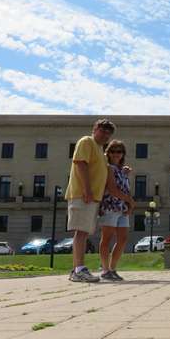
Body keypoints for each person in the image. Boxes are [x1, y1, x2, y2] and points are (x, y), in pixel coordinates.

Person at [65, 119, 133, 283]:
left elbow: (105, 168)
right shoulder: (86, 141)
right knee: (81, 232)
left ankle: (78, 269)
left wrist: (122, 170)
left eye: (108, 133)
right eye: (102, 131)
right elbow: (81, 164)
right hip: (83, 195)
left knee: (83, 232)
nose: (105, 135)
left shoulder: (99, 150)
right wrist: (87, 190)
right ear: (94, 129)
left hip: (93, 198)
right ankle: (79, 270)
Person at [98, 140, 131, 281]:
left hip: (122, 208)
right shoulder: (108, 168)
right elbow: (112, 189)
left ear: (123, 154)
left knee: (123, 239)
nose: (116, 154)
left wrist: (128, 205)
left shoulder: (121, 170)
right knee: (106, 239)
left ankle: (113, 268)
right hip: (110, 206)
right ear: (108, 153)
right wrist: (131, 201)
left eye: (119, 151)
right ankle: (105, 270)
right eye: (113, 151)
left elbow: (125, 188)